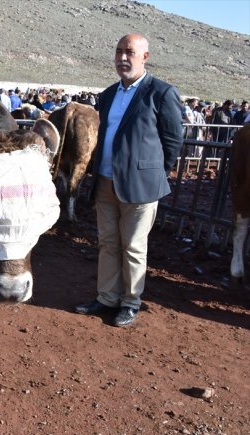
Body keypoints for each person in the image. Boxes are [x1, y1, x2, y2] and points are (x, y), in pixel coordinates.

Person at [75, 33, 183, 327]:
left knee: (134, 246)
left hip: (141, 186)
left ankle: (130, 302)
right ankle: (107, 297)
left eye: (130, 52)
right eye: (119, 51)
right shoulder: (108, 94)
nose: (123, 57)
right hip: (106, 181)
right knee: (108, 243)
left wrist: (155, 172)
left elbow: (173, 140)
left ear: (144, 57)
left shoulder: (161, 92)